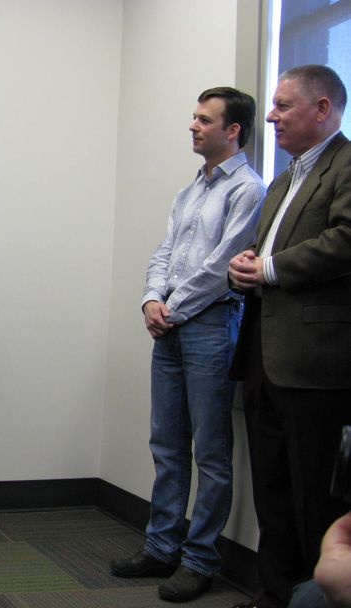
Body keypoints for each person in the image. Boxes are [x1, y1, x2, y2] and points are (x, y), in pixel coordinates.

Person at [110, 87, 265, 603]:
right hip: (173, 324)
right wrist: (151, 299)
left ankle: (200, 559)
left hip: (209, 327)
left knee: (212, 453)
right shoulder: (189, 191)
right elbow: (164, 253)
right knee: (167, 444)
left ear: (233, 130)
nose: (193, 126)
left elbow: (223, 267)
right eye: (193, 118)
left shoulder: (247, 189)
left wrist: (171, 309)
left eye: (204, 119)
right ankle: (161, 546)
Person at [227, 65, 351, 608]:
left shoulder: (347, 166)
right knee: (272, 487)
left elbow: (347, 239)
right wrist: (246, 264)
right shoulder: (282, 178)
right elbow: (267, 252)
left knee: (311, 493)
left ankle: (312, 596)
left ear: (322, 109)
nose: (270, 116)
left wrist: (270, 269)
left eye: (282, 105)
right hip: (263, 352)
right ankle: (275, 593)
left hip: (315, 362)